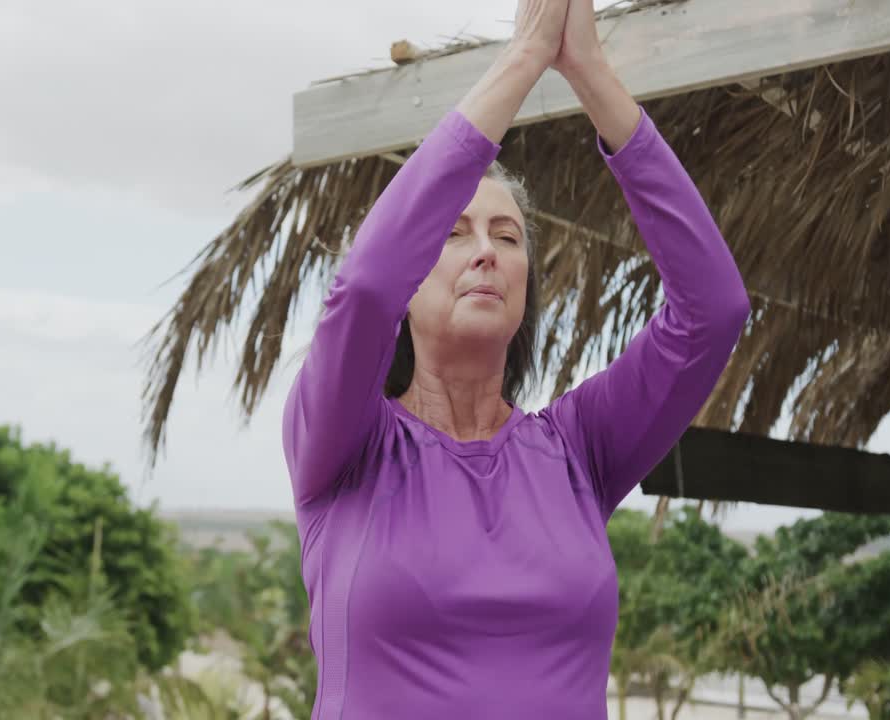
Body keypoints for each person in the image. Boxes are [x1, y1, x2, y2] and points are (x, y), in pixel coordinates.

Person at [281, 0, 750, 716]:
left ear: (527, 284)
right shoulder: (346, 444)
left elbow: (714, 311)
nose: (484, 253)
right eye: (452, 233)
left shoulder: (578, 450)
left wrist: (589, 73)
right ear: (410, 277)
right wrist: (525, 57)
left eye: (507, 237)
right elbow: (366, 285)